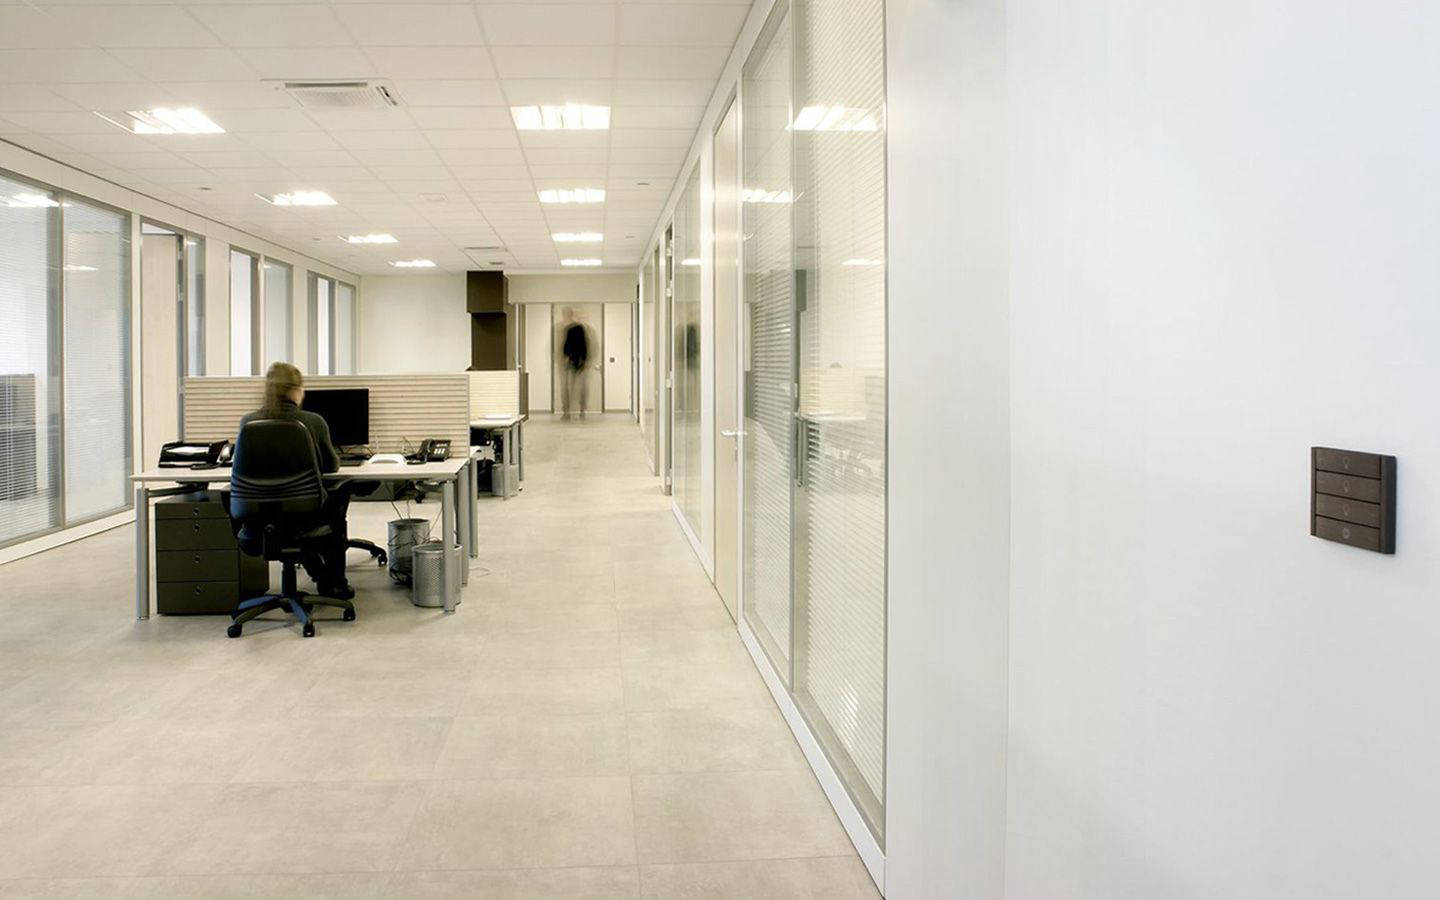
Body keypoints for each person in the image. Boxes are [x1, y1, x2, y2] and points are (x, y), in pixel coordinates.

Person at [238, 362, 355, 600]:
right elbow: (332, 466)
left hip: (258, 521)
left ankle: (319, 572)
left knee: (289, 521)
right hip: (306, 518)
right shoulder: (313, 421)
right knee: (341, 493)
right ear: (295, 390)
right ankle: (334, 583)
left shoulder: (247, 422)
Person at [558, 307, 590, 419]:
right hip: (576, 362)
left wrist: (566, 358)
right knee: (574, 387)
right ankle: (576, 411)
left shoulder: (572, 329)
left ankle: (572, 411)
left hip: (574, 362)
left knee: (573, 387)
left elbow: (569, 346)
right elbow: (583, 346)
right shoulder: (574, 328)